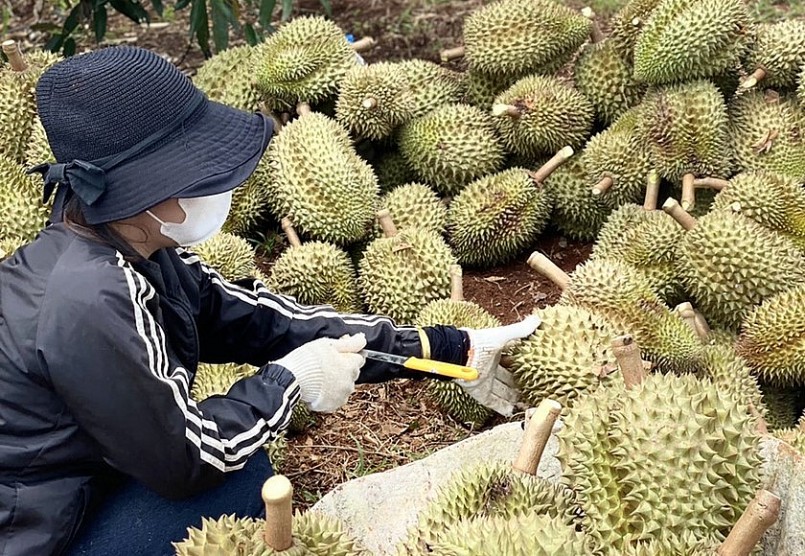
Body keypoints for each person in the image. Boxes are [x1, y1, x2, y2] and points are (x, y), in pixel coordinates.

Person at [0, 46, 539, 556]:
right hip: (33, 534)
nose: (213, 183)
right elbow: (189, 462)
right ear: (140, 189)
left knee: (243, 476)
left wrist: (446, 348)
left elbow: (260, 322)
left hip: (86, 477)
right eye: (196, 169)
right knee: (236, 488)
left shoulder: (136, 246)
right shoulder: (89, 299)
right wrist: (288, 384)